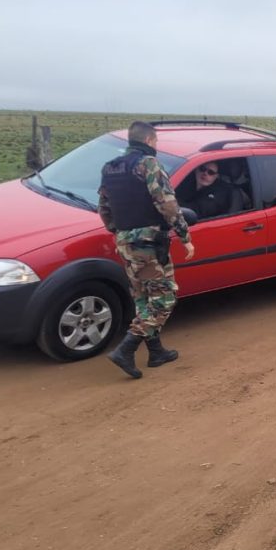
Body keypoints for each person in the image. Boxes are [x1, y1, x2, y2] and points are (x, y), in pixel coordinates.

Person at [98, 121, 195, 378]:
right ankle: (126, 349)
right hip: (149, 242)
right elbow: (166, 202)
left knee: (142, 297)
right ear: (150, 141)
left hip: (125, 242)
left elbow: (104, 207)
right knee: (164, 298)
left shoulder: (110, 168)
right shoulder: (149, 165)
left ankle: (156, 352)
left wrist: (120, 233)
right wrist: (185, 235)